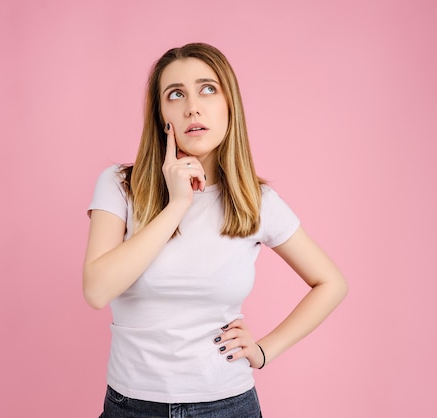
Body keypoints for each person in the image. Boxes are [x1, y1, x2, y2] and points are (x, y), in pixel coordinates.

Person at [83, 42, 348, 418]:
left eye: (208, 89)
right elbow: (97, 289)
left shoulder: (256, 201)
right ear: (162, 116)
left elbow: (331, 283)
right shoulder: (119, 185)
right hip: (132, 406)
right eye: (176, 94)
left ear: (229, 106)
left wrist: (263, 350)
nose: (192, 106)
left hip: (227, 405)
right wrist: (176, 206)